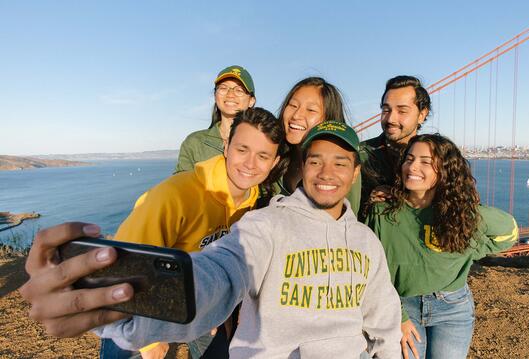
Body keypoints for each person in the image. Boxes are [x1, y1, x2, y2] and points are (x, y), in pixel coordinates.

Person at [19, 121, 402, 359]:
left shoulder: (366, 242)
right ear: (301, 168)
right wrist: (118, 298)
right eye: (316, 160)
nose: (326, 172)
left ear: (354, 176)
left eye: (340, 163)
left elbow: (382, 321)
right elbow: (217, 273)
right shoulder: (264, 225)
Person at [103, 107, 287, 359]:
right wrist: (148, 342)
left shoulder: (252, 205)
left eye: (263, 156)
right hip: (137, 311)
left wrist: (213, 308)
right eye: (242, 150)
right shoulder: (175, 196)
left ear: (274, 162)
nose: (250, 164)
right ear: (226, 147)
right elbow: (124, 266)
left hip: (194, 305)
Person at [364, 133, 519, 359]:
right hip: (402, 306)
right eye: (409, 159)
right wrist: (399, 316)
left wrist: (470, 237)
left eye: (426, 162)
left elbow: (509, 231)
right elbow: (372, 270)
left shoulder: (458, 216)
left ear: (445, 171)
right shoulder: (383, 211)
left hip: (453, 307)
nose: (413, 166)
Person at [266, 77, 361, 214]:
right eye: (293, 106)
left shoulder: (344, 167)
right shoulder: (273, 154)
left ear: (329, 120)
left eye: (310, 110)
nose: (296, 115)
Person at [359, 75, 431, 217]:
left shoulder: (439, 157)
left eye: (402, 111)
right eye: (386, 110)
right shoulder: (357, 155)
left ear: (422, 115)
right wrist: (367, 203)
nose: (390, 119)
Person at [175, 65, 257, 173]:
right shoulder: (194, 143)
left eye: (239, 90)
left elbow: (271, 187)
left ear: (251, 101)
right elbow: (181, 185)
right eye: (223, 88)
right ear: (215, 95)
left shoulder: (262, 142)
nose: (230, 94)